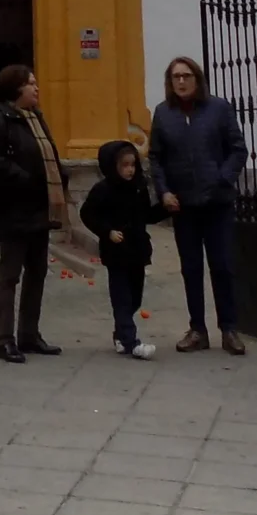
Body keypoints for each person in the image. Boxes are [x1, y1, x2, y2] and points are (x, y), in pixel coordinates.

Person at [147, 55, 248, 354]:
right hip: (183, 205)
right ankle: (197, 329)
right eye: (176, 77)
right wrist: (164, 191)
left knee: (223, 266)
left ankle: (229, 329)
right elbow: (155, 156)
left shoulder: (218, 109)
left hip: (217, 203)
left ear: (197, 79)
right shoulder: (163, 114)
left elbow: (238, 149)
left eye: (186, 76)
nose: (181, 81)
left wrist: (223, 178)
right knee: (191, 268)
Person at [0, 64, 66, 363]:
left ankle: (29, 335)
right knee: (10, 275)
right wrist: (23, 178)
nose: (36, 88)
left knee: (37, 272)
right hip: (12, 209)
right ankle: (4, 339)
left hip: (38, 207)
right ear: (15, 89)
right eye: (31, 84)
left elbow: (48, 153)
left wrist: (59, 177)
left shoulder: (36, 119)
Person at [79, 139, 158, 359]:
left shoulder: (139, 187)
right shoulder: (103, 190)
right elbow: (87, 214)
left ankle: (119, 334)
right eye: (124, 165)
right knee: (121, 298)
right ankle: (132, 342)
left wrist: (167, 208)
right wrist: (107, 231)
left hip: (137, 250)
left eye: (132, 164)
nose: (130, 170)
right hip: (116, 254)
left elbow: (147, 215)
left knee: (135, 298)